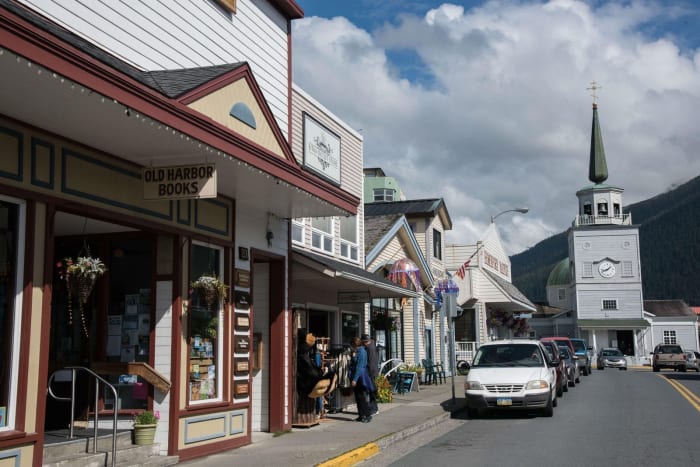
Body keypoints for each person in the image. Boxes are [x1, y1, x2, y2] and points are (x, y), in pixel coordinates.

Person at [350, 336, 372, 423]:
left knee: (361, 396)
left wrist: (354, 379)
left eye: (352, 345)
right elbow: (354, 362)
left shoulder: (361, 351)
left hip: (360, 376)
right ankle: (361, 415)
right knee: (358, 396)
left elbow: (359, 367)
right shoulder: (357, 351)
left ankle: (367, 415)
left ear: (355, 344)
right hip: (358, 375)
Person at [362, 333, 379, 415]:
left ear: (365, 342)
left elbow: (370, 363)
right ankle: (373, 408)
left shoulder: (369, 348)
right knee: (371, 390)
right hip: (373, 371)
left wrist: (368, 373)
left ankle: (373, 408)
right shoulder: (372, 346)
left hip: (371, 372)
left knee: (371, 391)